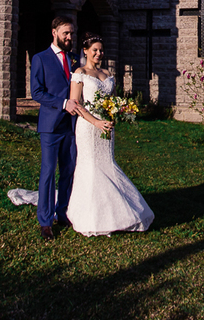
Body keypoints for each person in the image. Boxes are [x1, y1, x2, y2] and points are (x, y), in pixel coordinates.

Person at [65, 34, 155, 236]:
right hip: (88, 127)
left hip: (107, 126)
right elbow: (75, 104)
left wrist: (118, 112)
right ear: (85, 51)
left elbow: (111, 101)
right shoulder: (80, 73)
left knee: (107, 163)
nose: (99, 54)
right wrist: (96, 121)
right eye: (95, 50)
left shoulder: (107, 74)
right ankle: (90, 215)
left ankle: (118, 211)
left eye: (101, 50)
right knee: (90, 166)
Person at [31, 16, 81, 240]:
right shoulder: (40, 59)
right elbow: (37, 92)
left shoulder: (73, 59)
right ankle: (45, 221)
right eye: (65, 33)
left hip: (71, 126)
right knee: (49, 172)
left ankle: (63, 212)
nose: (69, 37)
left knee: (68, 171)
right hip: (50, 126)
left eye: (71, 33)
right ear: (54, 32)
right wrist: (63, 104)